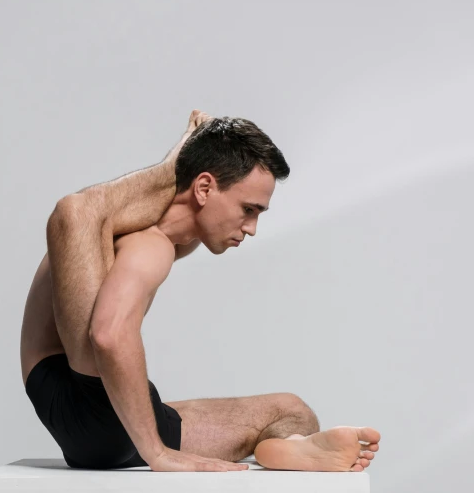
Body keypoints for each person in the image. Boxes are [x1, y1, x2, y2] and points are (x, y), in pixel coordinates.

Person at [20, 111, 380, 472]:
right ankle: (153, 445)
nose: (252, 227)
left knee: (292, 409)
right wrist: (157, 453)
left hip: (117, 421)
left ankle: (290, 446)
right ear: (204, 188)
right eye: (248, 209)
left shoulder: (174, 237)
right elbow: (109, 334)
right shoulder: (149, 243)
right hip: (82, 401)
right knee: (78, 215)